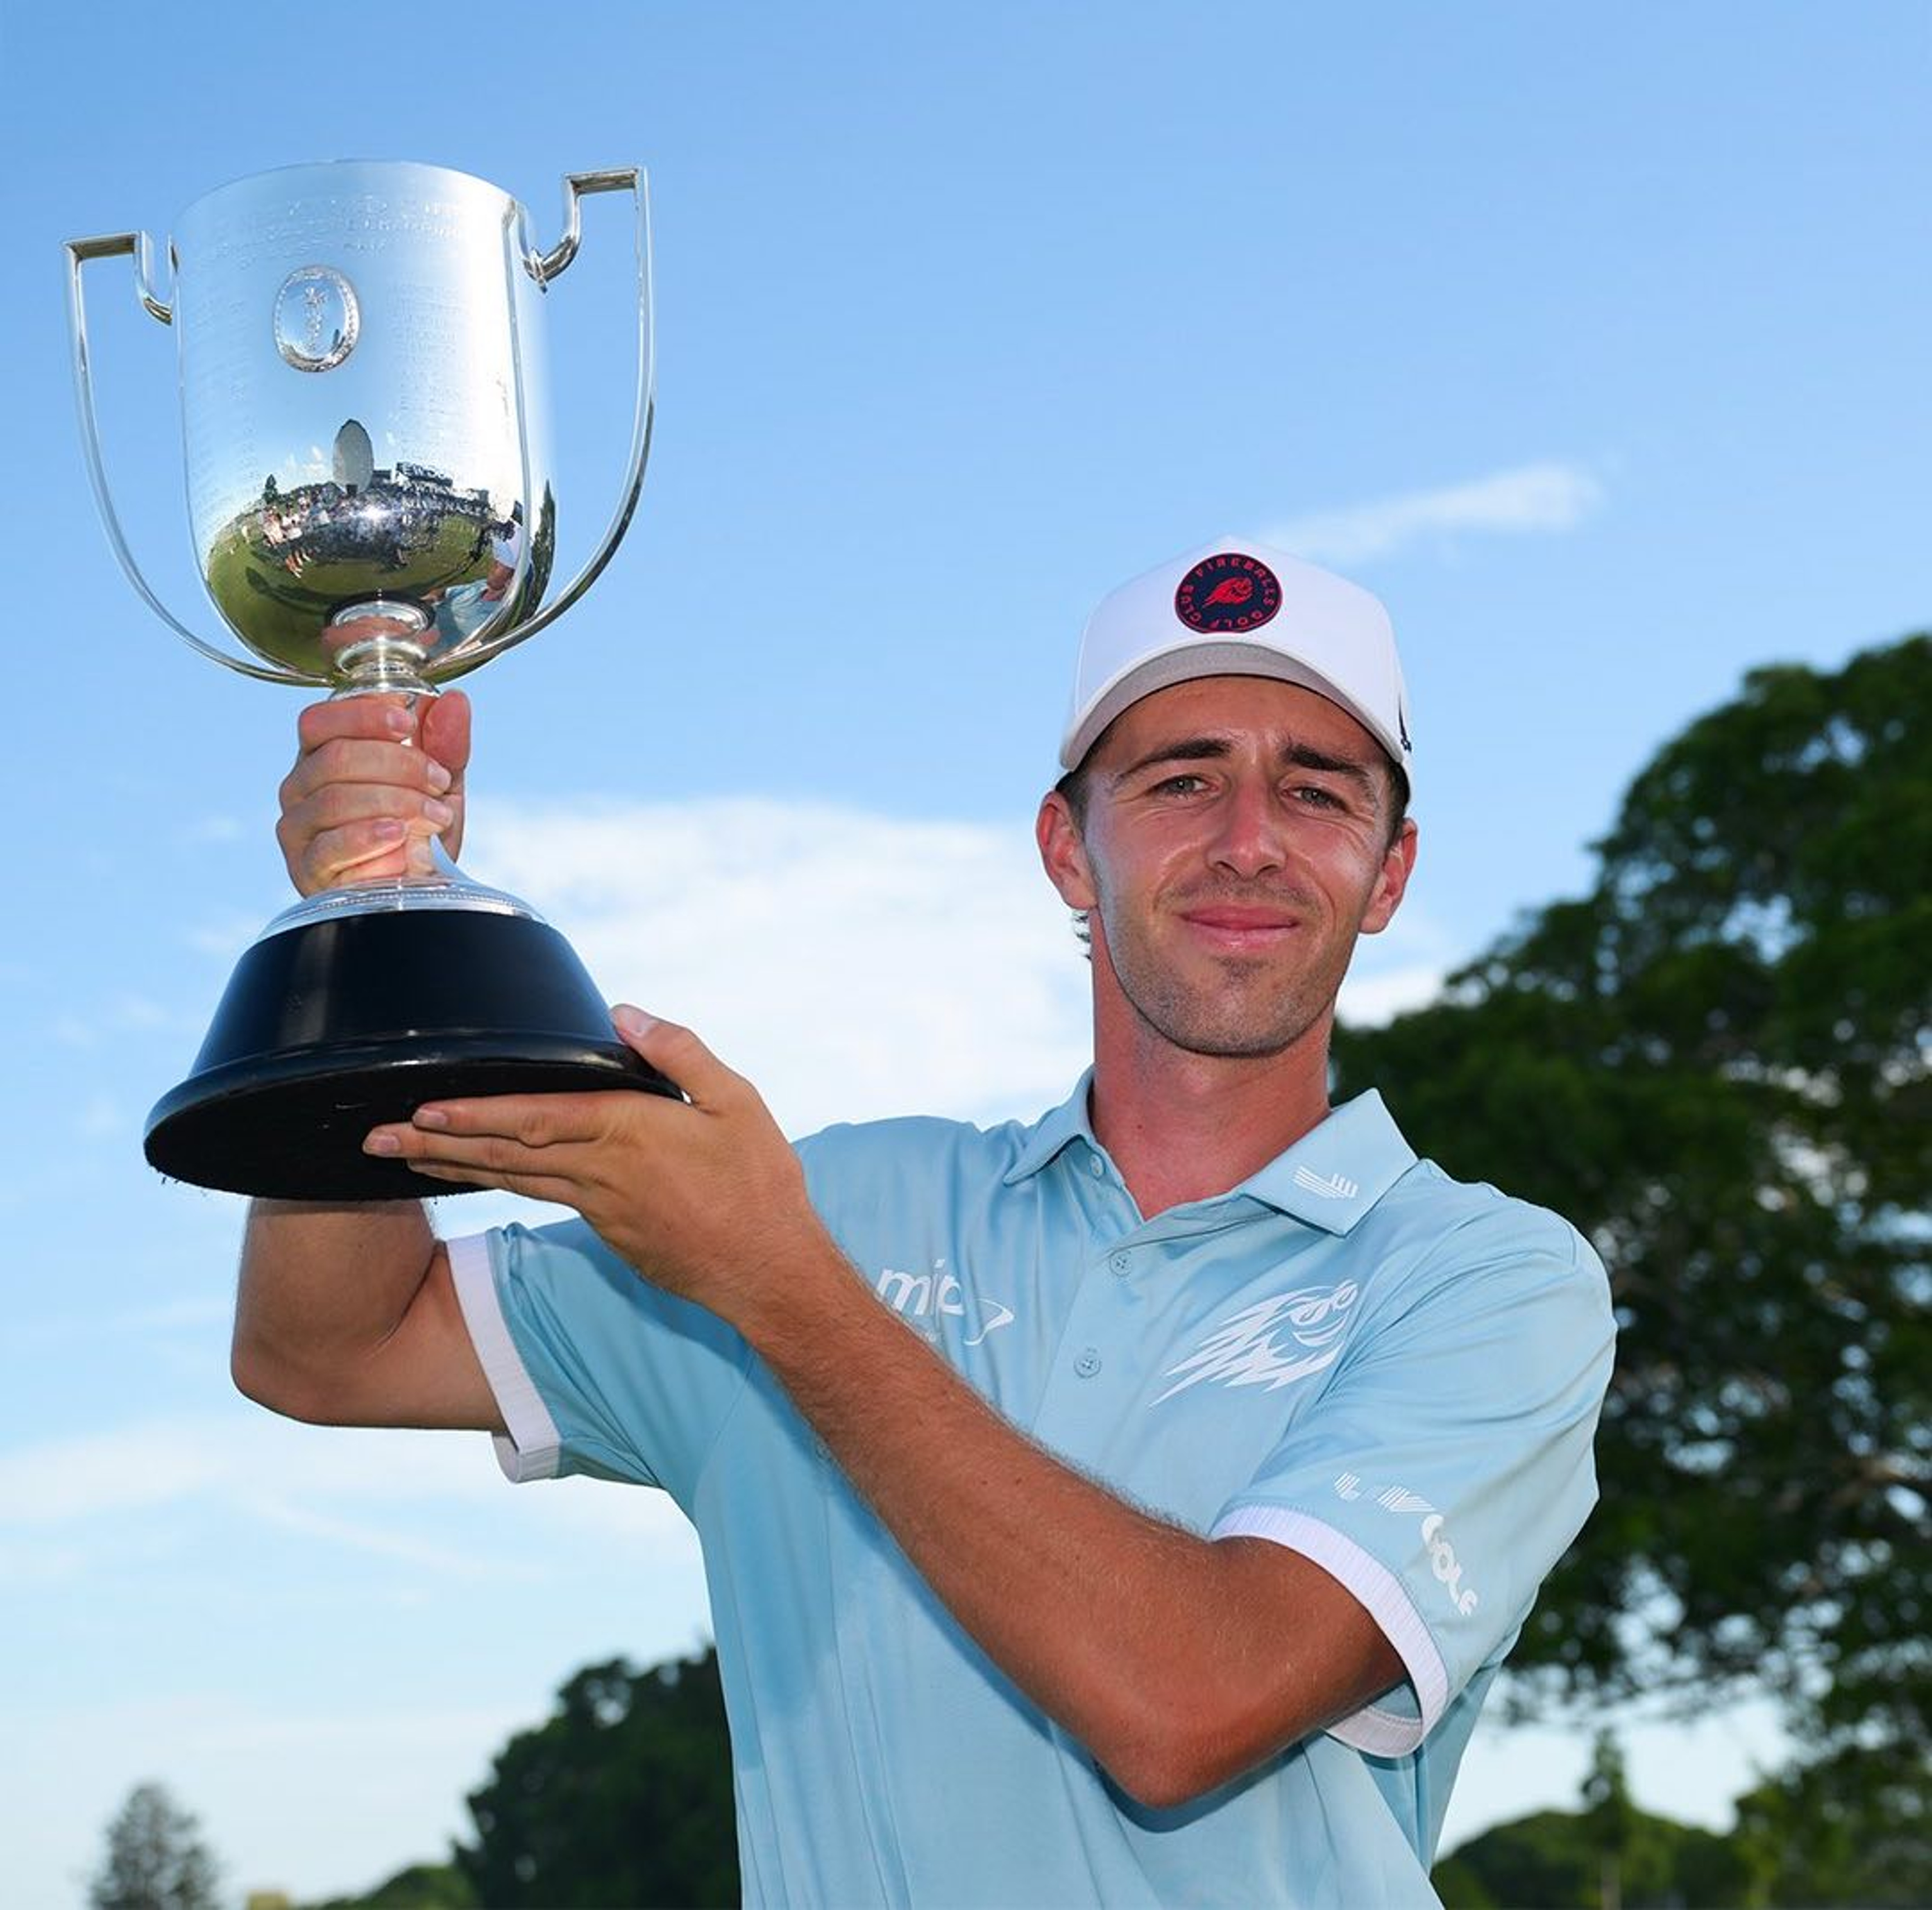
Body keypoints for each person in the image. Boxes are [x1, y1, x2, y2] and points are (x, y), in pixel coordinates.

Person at [239, 537, 1616, 1906]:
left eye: (1315, 792)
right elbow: (333, 1348)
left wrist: (780, 1287)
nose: (1248, 841)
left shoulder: (1490, 1282)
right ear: (1067, 848)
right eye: (1182, 780)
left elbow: (1190, 1706)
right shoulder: (831, 1205)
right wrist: (373, 926)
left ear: (1389, 873)